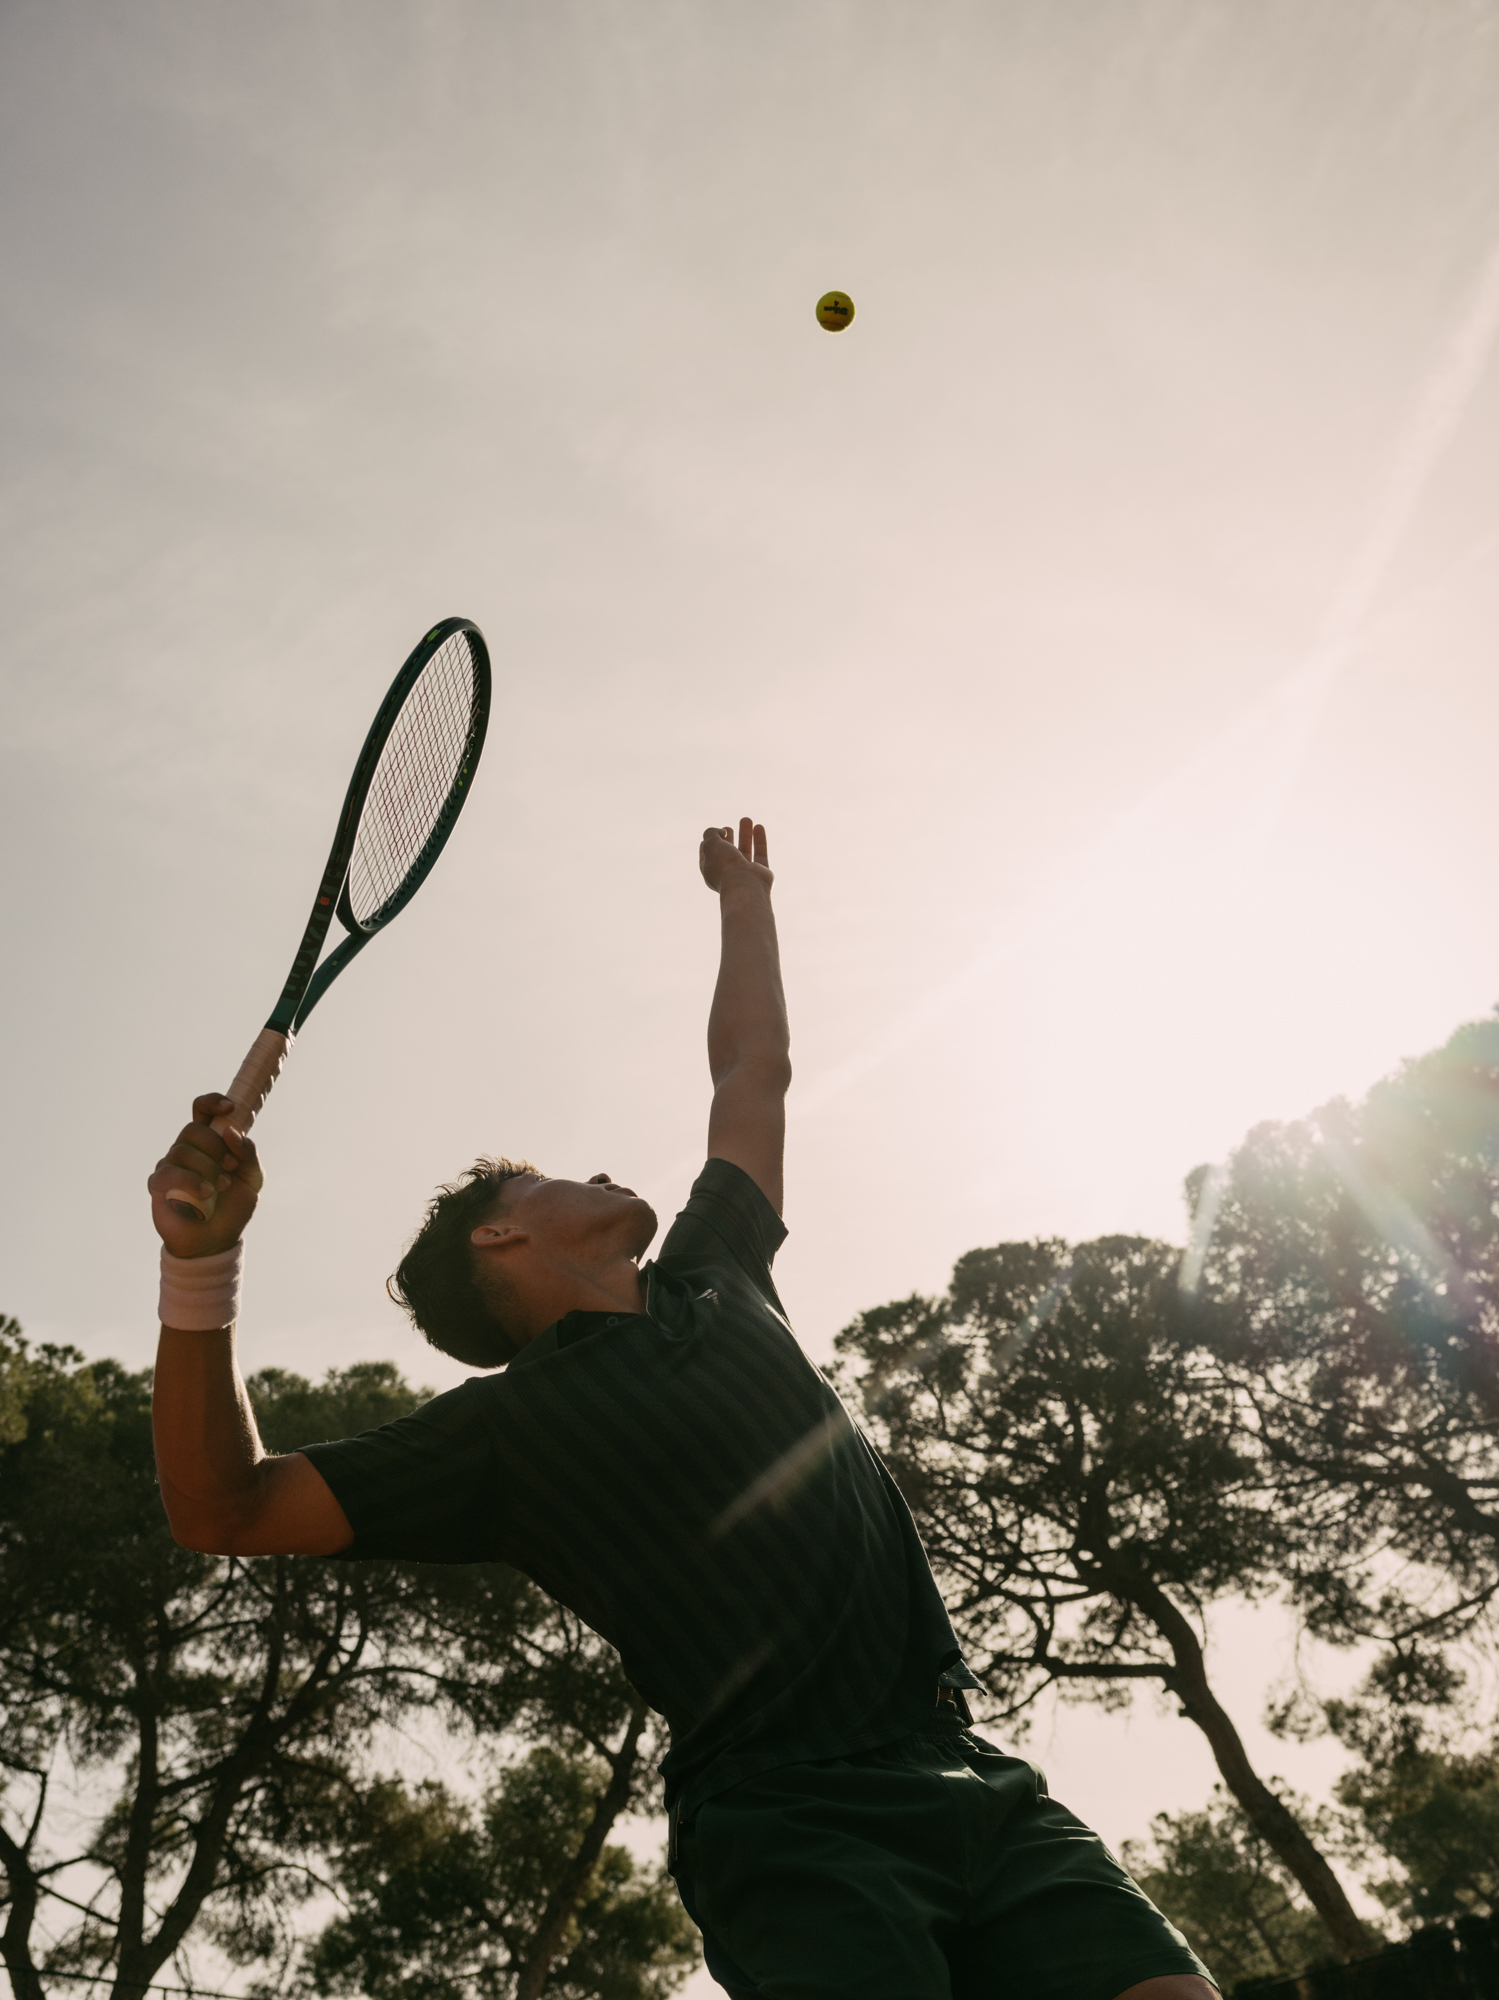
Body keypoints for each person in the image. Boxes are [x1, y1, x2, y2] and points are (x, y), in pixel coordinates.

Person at [149, 818, 1217, 2000]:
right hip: (790, 1820)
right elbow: (222, 1505)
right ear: (496, 1233)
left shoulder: (718, 1269)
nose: (598, 1171)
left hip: (965, 1767)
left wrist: (744, 899)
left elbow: (750, 1070)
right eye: (546, 1173)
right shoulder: (501, 1433)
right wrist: (203, 1265)